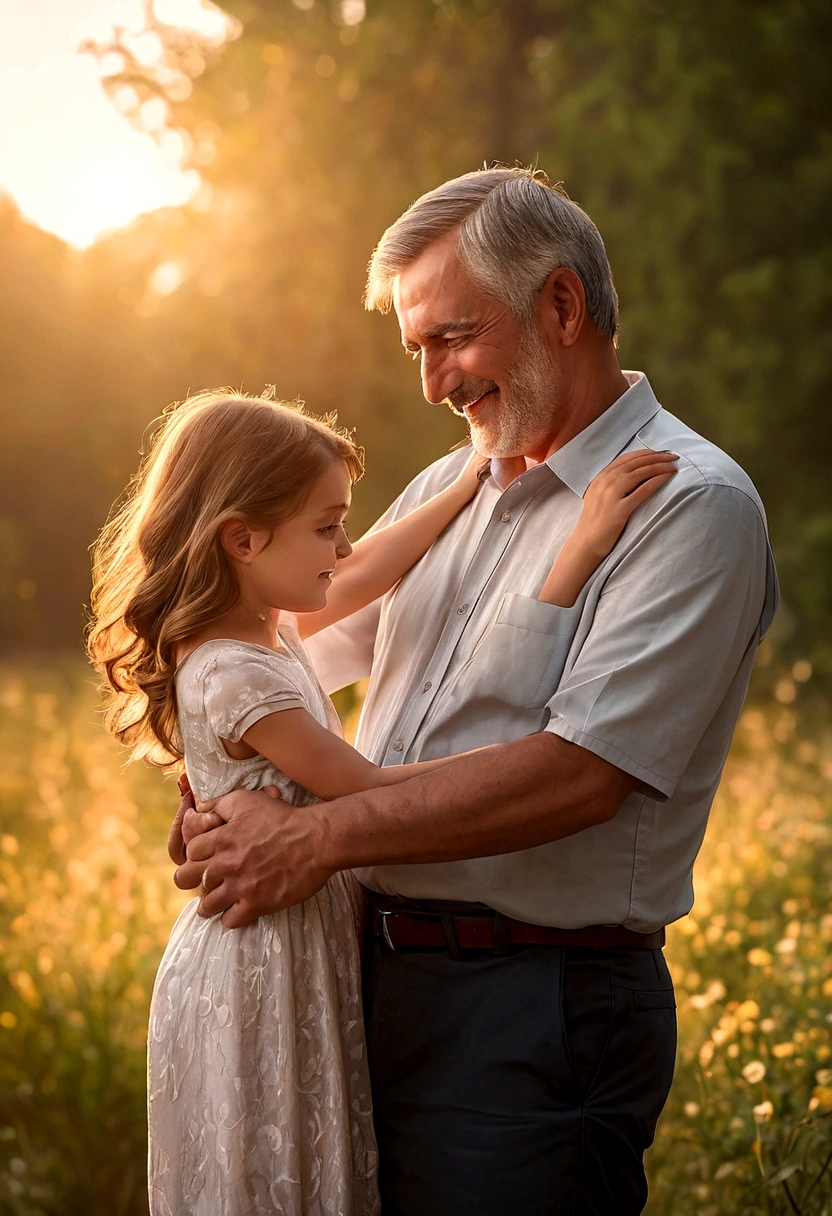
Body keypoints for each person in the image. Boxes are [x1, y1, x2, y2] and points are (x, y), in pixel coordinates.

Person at [171, 168, 778, 1216]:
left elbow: (581, 776)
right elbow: (280, 652)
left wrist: (312, 840)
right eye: (416, 349)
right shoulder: (446, 487)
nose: (432, 382)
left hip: (529, 1012)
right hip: (358, 985)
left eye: (451, 337)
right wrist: (224, 803)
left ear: (559, 304)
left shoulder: (691, 506)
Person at [87, 388, 675, 1215]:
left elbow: (367, 570)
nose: (344, 543)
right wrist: (537, 766)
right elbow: (359, 791)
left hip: (313, 941)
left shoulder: (264, 621)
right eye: (326, 526)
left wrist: (475, 484)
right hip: (268, 962)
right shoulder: (237, 667)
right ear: (243, 539)